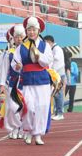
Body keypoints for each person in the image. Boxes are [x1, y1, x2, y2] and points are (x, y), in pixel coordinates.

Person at [11, 16, 53, 145]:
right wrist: (17, 67)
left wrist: (38, 55)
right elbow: (15, 63)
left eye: (34, 29)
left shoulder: (45, 45)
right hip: (27, 81)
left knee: (42, 107)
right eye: (29, 29)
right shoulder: (21, 47)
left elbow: (48, 61)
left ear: (38, 30)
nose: (31, 32)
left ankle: (38, 135)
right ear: (26, 31)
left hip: (42, 80)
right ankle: (28, 131)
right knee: (28, 107)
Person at [2, 25, 26, 140]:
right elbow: (4, 69)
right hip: (12, 83)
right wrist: (2, 84)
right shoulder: (9, 53)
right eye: (17, 37)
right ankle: (16, 127)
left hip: (26, 82)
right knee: (12, 107)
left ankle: (22, 128)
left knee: (24, 107)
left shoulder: (29, 51)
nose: (19, 39)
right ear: (13, 39)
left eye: (21, 36)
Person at [44, 35, 66, 121]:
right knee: (56, 94)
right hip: (56, 74)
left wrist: (49, 57)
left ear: (50, 42)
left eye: (46, 43)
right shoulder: (54, 49)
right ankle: (58, 113)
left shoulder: (57, 49)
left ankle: (60, 113)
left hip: (58, 74)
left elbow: (56, 58)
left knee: (58, 94)